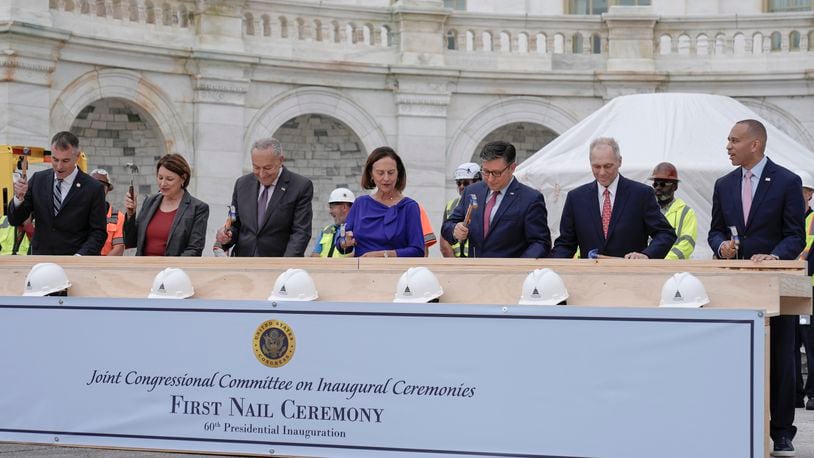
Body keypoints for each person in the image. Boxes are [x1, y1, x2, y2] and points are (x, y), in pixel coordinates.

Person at [708, 119, 805, 456]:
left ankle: (781, 432)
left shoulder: (788, 182)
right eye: (728, 140)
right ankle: (736, 422)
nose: (728, 146)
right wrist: (722, 247)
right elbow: (715, 231)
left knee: (780, 357)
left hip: (774, 283)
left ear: (755, 145)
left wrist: (776, 256)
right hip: (735, 284)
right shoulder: (723, 185)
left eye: (734, 140)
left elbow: (796, 234)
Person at [551, 137, 675, 259]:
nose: (602, 172)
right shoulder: (576, 198)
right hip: (590, 276)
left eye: (608, 166)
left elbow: (665, 233)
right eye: (596, 167)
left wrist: (646, 255)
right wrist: (549, 269)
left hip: (630, 275)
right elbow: (565, 244)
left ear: (620, 161)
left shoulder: (641, 194)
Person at [441, 141, 550, 258]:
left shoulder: (530, 199)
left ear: (512, 168)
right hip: (475, 270)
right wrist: (454, 230)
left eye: (497, 173)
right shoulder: (472, 192)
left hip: (510, 272)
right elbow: (448, 225)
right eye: (486, 172)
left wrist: (518, 267)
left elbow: (540, 243)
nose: (491, 179)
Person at [7, 131, 107, 255]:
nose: (59, 166)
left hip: (75, 263)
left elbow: (98, 233)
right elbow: (15, 220)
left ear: (77, 157)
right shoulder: (38, 180)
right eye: (55, 159)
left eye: (65, 161)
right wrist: (18, 198)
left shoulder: (93, 188)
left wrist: (79, 257)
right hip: (41, 261)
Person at [216, 137, 313, 257]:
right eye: (256, 167)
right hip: (243, 262)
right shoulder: (242, 184)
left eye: (267, 168)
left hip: (278, 264)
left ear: (281, 160)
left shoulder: (300, 186)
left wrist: (287, 266)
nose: (261, 174)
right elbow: (235, 224)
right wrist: (227, 236)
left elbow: (301, 232)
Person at [337, 146, 424, 258]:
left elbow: (417, 250)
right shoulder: (360, 204)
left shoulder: (409, 207)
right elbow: (341, 242)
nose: (386, 178)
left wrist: (384, 255)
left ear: (398, 174)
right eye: (380, 173)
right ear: (371, 175)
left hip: (397, 272)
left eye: (391, 172)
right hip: (362, 272)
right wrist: (344, 243)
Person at [124, 154, 209, 256]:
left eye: (169, 179)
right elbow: (130, 241)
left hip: (174, 270)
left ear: (183, 178)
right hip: (144, 268)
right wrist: (130, 214)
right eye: (160, 178)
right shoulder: (149, 202)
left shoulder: (198, 208)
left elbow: (194, 250)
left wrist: (169, 269)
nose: (163, 184)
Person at [649, 162, 697, 260]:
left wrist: (663, 260)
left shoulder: (686, 212)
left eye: (663, 184)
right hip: (648, 265)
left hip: (675, 269)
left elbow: (687, 244)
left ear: (675, 187)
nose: (658, 188)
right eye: (655, 184)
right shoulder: (647, 210)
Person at [796, 170, 814, 411]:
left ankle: (812, 393)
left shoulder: (812, 220)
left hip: (809, 289)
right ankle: (794, 394)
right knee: (791, 344)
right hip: (790, 288)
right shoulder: (787, 218)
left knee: (810, 345)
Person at [440, 162, 481, 257]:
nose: (462, 187)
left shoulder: (487, 203)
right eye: (459, 183)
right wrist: (454, 264)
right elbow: (444, 241)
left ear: (478, 182)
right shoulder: (451, 205)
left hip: (479, 260)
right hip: (457, 261)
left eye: (466, 183)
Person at [311, 187, 355, 258]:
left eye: (332, 207)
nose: (330, 212)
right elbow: (314, 254)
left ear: (344, 207)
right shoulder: (326, 230)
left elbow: (356, 255)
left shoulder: (358, 230)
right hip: (324, 268)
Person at [91, 168, 125, 256]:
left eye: (102, 187)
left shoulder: (118, 217)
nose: (97, 190)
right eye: (93, 186)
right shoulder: (79, 212)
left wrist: (101, 266)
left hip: (107, 264)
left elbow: (119, 247)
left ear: (108, 190)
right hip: (83, 262)